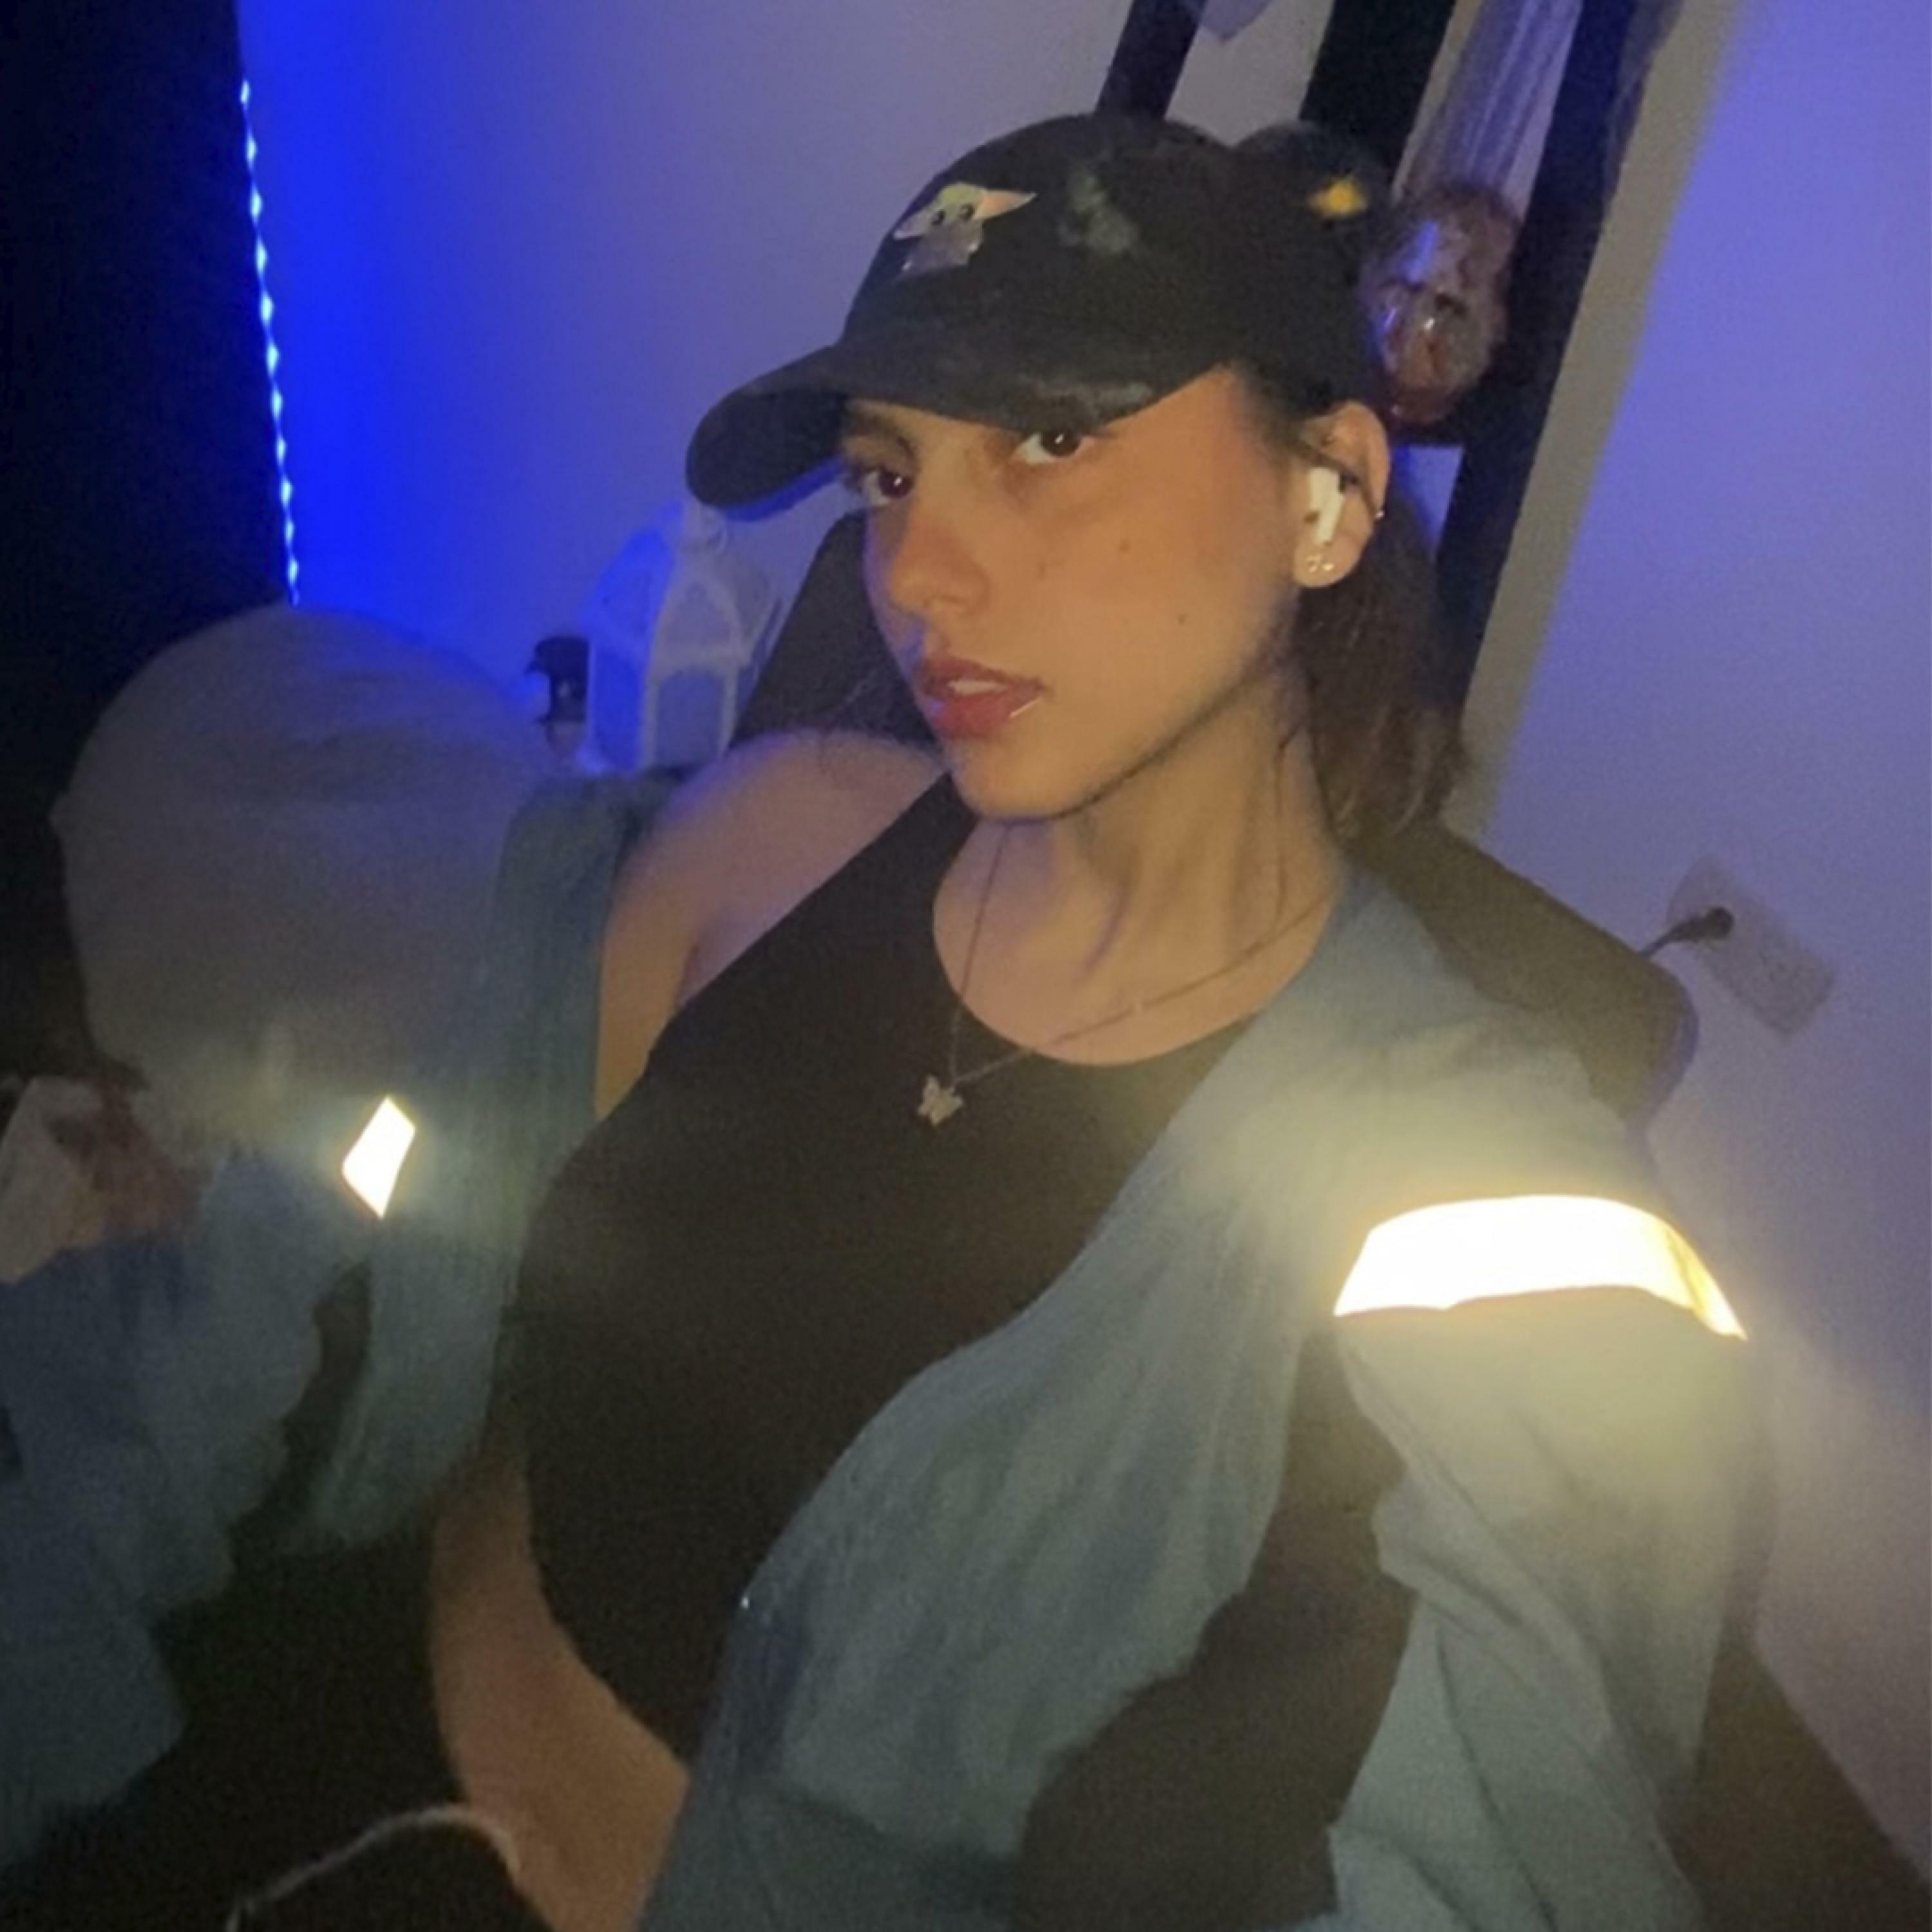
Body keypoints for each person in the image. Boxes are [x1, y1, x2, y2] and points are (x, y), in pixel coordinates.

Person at [6, 114, 1756, 1931]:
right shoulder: (765, 839)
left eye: (1051, 440)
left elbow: (1488, 1803)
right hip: (273, 1706)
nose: (914, 573)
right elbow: (319, 1271)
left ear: (1325, 493)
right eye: (888, 472)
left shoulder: (1482, 1217)